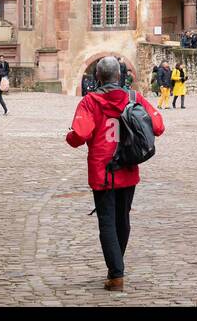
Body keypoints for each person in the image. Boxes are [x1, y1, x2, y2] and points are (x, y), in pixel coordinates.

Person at [65, 56, 165, 292]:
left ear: (97, 77)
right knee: (123, 219)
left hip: (102, 170)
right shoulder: (134, 98)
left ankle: (116, 273)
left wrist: (69, 136)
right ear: (119, 76)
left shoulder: (90, 102)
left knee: (107, 222)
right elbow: (158, 126)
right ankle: (115, 268)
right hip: (128, 166)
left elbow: (79, 135)